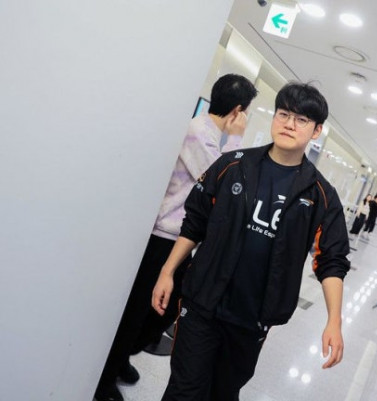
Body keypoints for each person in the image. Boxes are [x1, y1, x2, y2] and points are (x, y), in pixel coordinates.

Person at [152, 82, 351, 401]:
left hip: (252, 317)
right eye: (283, 114)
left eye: (301, 119)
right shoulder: (232, 165)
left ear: (316, 131)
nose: (289, 124)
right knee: (184, 390)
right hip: (202, 301)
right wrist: (167, 271)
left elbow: (332, 261)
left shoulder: (320, 195)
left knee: (224, 392)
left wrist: (334, 322)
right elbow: (195, 221)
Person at [94, 74, 258, 401]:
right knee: (140, 311)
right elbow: (222, 184)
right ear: (238, 110)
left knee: (165, 310)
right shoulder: (198, 133)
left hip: (180, 239)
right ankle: (105, 377)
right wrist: (237, 139)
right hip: (162, 237)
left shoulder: (209, 133)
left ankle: (122, 356)